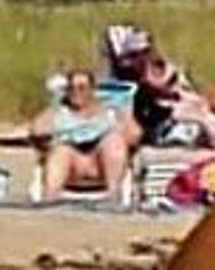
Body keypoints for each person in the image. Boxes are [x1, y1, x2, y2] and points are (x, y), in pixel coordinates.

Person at [29, 68, 139, 201]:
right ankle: (49, 199)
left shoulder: (110, 111)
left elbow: (135, 135)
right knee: (61, 151)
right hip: (72, 165)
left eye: (81, 88)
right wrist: (54, 110)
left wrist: (122, 123)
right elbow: (37, 131)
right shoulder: (60, 111)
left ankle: (113, 197)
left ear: (92, 90)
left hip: (100, 163)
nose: (76, 92)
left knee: (113, 142)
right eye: (71, 88)